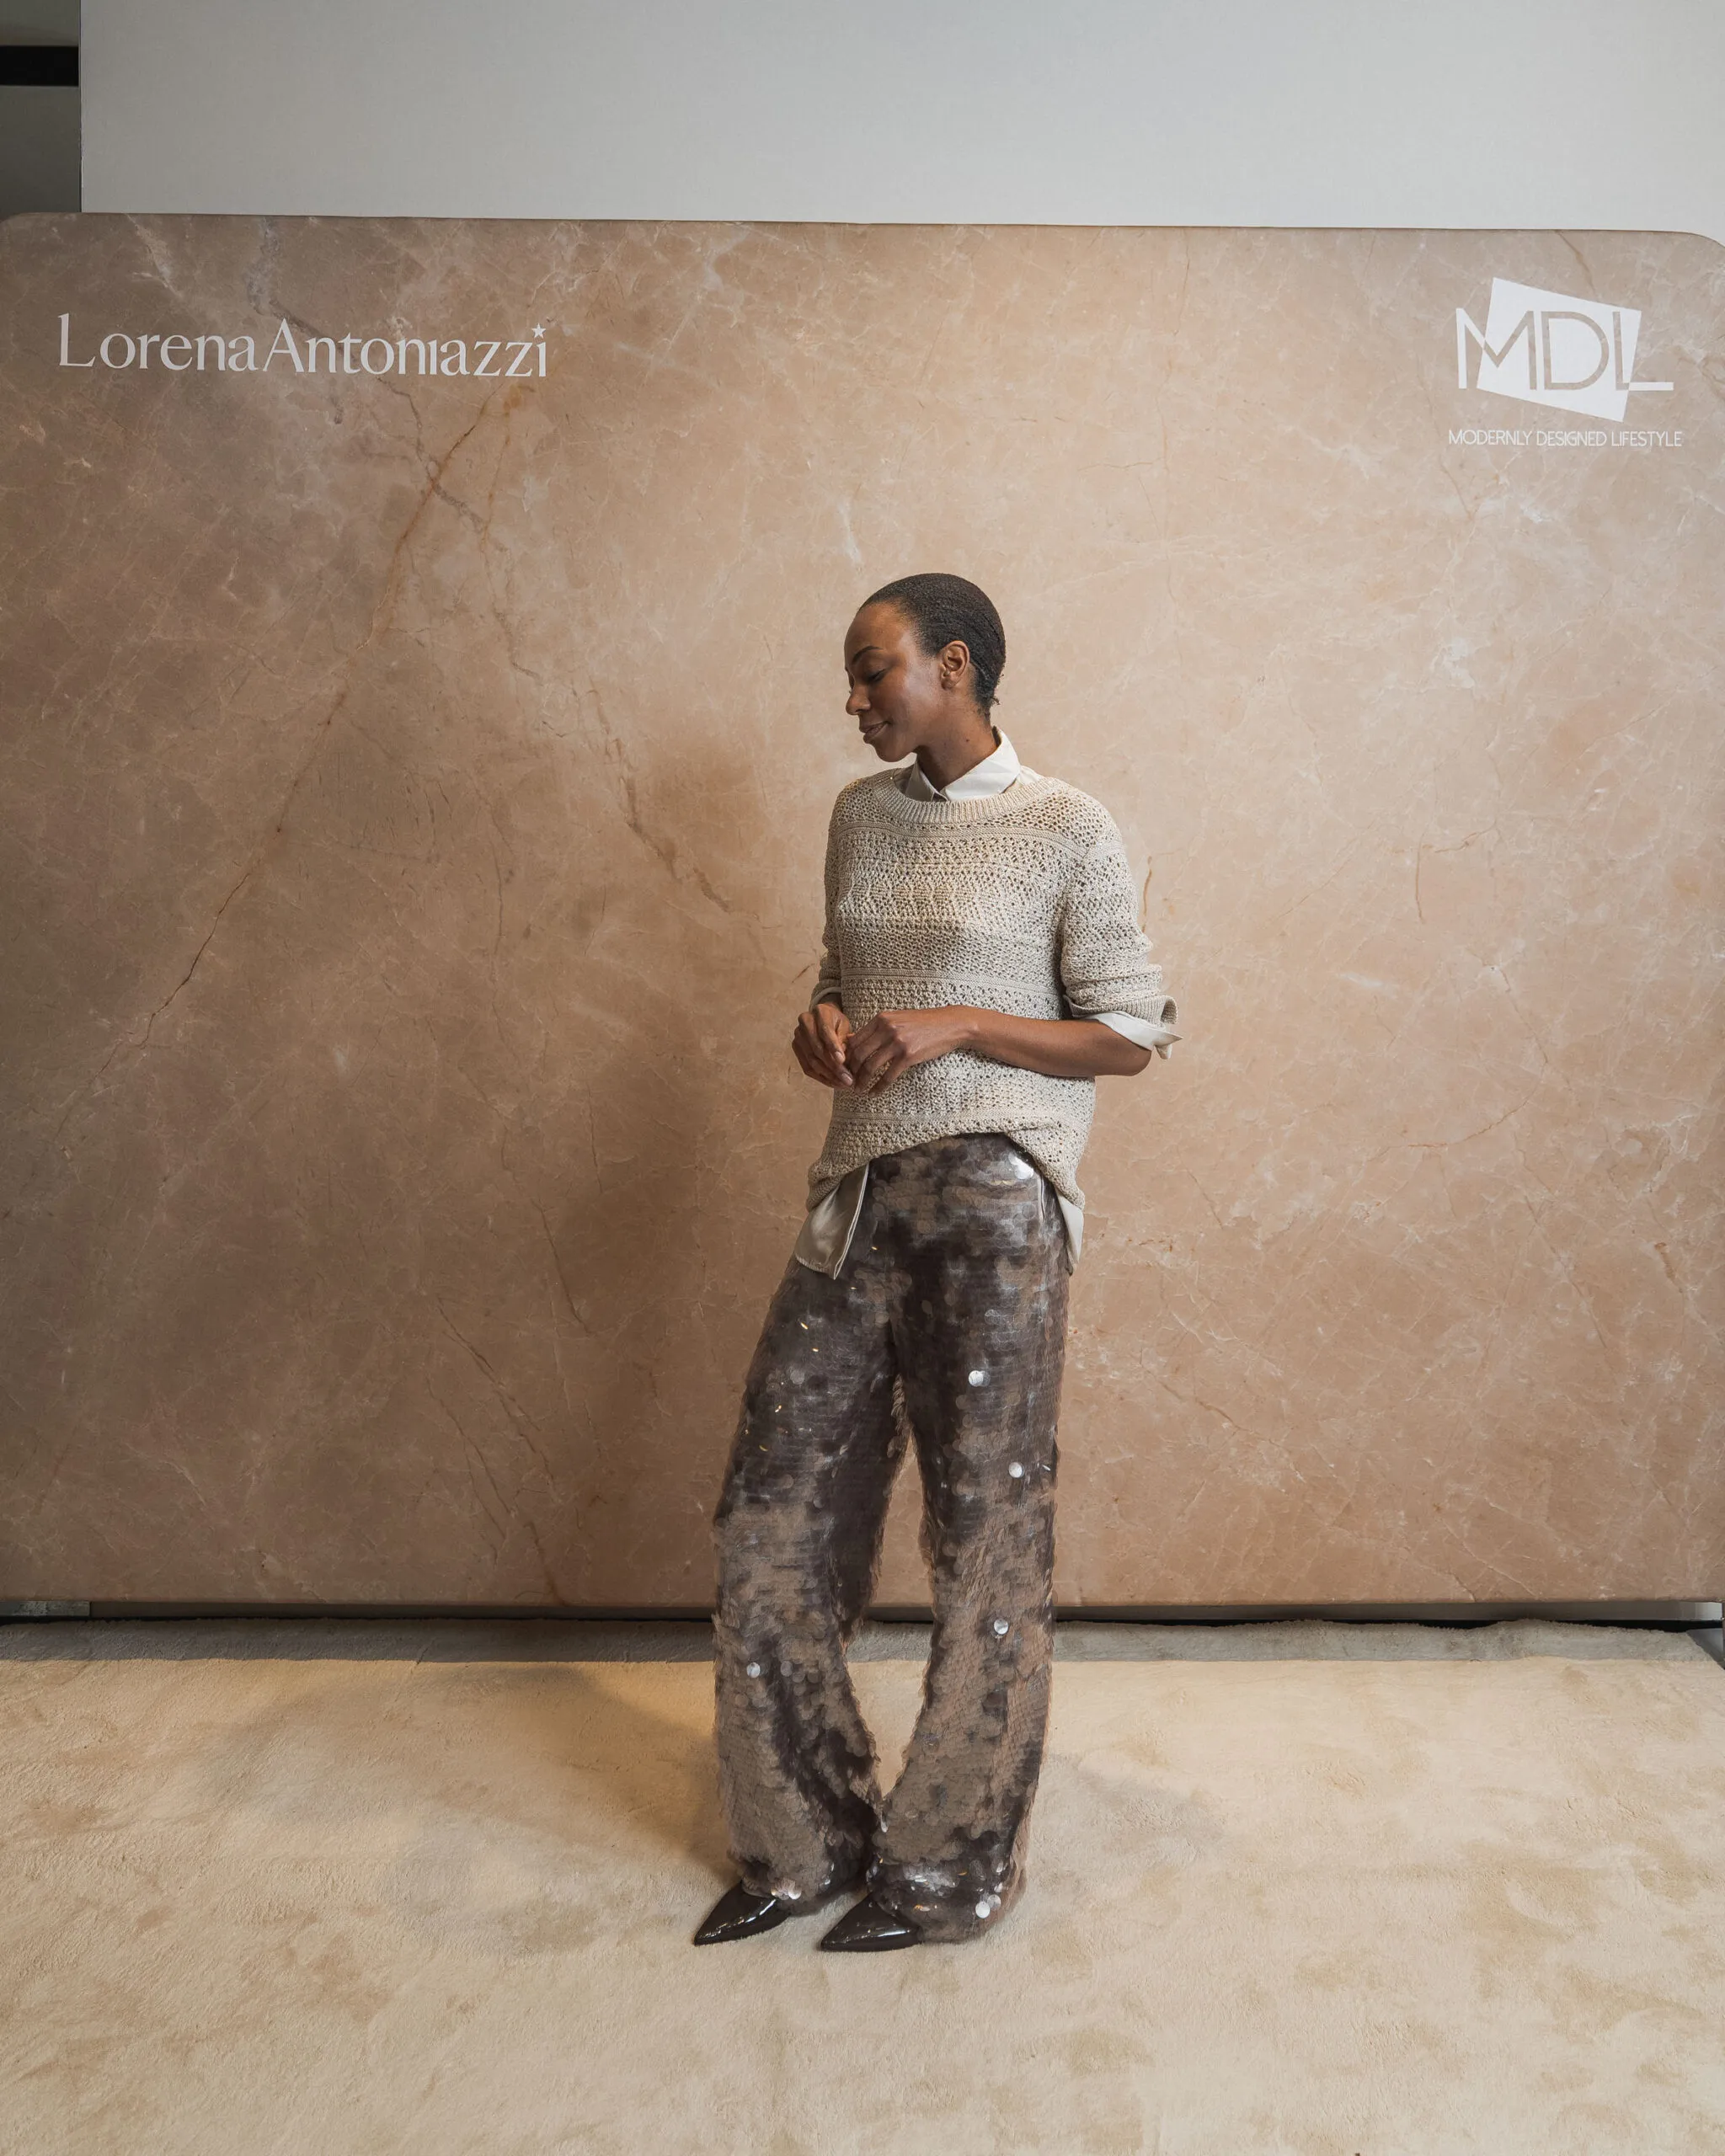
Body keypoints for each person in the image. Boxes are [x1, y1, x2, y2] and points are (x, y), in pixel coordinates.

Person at [694, 572, 1179, 1951]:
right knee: (769, 1517)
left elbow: (1131, 1032)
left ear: (954, 666)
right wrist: (823, 1019)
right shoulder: (858, 818)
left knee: (985, 1536)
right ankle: (801, 1839)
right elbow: (842, 973)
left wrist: (959, 1022)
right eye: (853, 678)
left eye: (874, 670)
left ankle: (953, 1866)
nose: (854, 700)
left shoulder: (1066, 826)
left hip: (998, 1212)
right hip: (859, 1198)